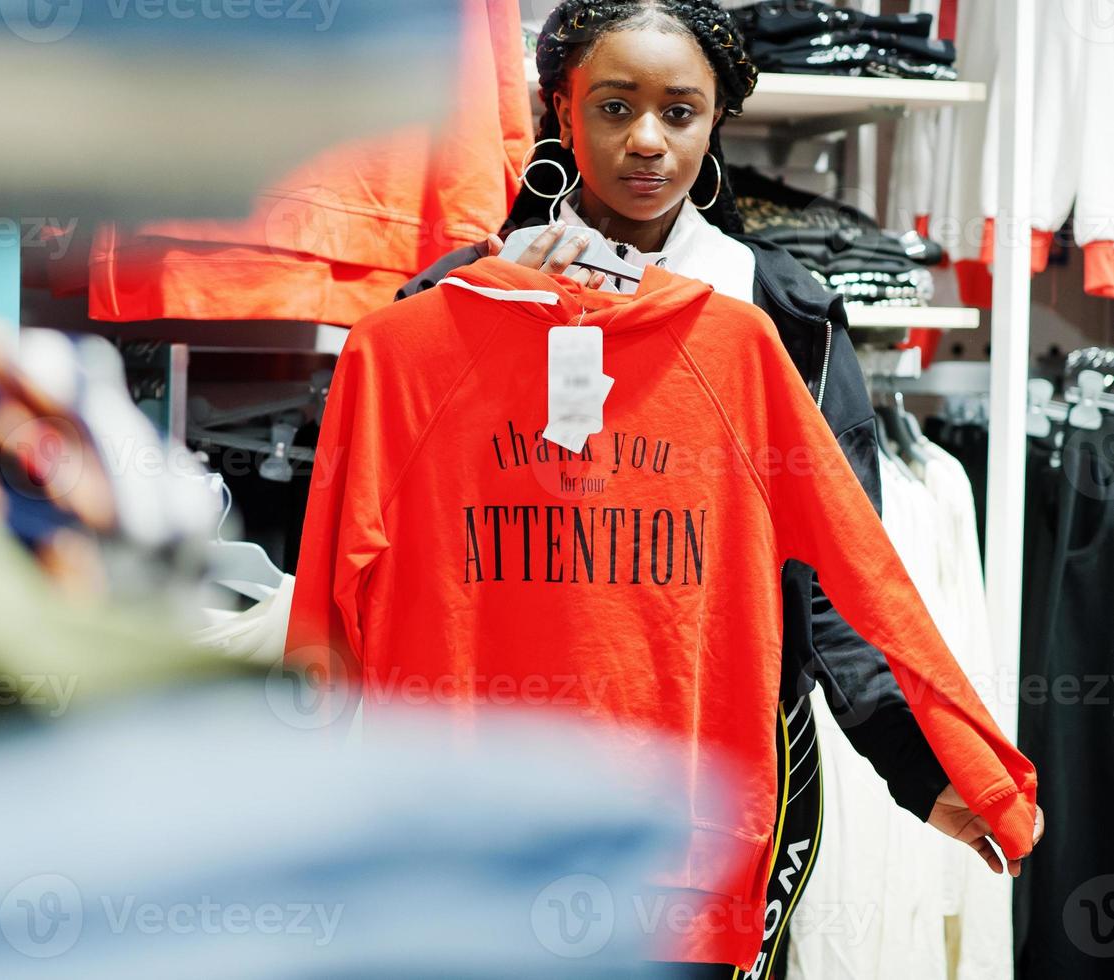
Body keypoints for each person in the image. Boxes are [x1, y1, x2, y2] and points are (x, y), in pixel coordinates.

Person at [395, 1, 1045, 974]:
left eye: (680, 110)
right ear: (560, 112)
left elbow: (839, 566)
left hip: (724, 750)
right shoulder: (452, 305)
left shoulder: (777, 311)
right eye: (614, 107)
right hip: (499, 748)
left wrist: (918, 767)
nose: (646, 140)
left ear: (717, 119)